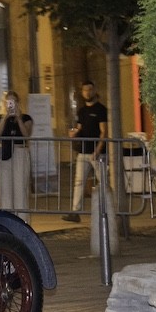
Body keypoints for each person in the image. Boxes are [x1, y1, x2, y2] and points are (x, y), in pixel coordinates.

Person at [66, 80, 108, 222]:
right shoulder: (82, 111)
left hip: (97, 153)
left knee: (103, 181)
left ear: (94, 90)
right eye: (85, 90)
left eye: (90, 89)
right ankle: (75, 212)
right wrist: (74, 133)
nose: (87, 92)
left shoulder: (101, 110)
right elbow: (79, 127)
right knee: (79, 182)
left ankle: (107, 208)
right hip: (83, 152)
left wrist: (98, 150)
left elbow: (104, 131)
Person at [0, 90, 34, 224]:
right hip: (3, 154)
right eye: (7, 102)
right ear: (4, 103)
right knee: (3, 188)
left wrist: (18, 118)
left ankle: (22, 220)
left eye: (13, 102)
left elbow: (26, 135)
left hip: (20, 152)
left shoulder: (26, 118)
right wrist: (5, 117)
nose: (10, 105)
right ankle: (4, 220)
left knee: (20, 187)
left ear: (18, 103)